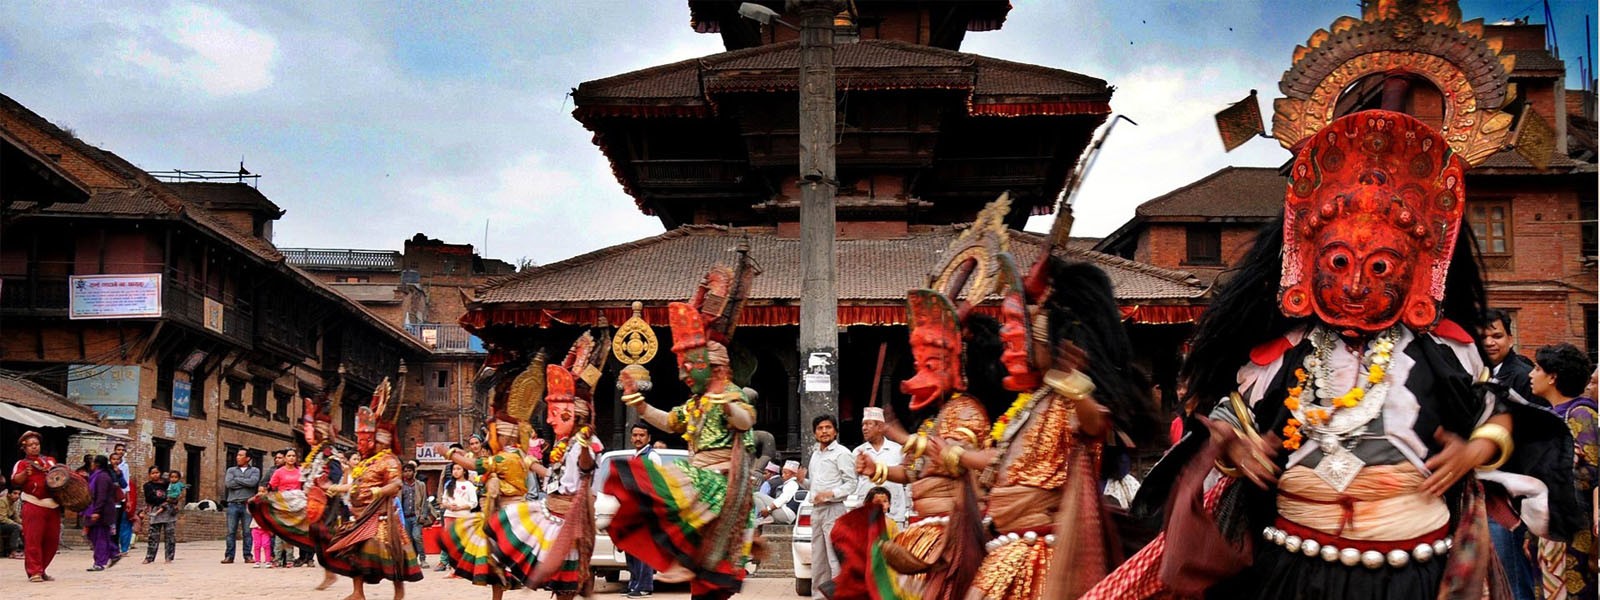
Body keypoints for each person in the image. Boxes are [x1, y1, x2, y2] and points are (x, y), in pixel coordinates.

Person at [1085, 110, 1582, 600]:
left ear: (1413, 272)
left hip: (1410, 572)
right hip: (1293, 566)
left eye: (1381, 265)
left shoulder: (1444, 350)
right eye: (1339, 262)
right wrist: (1234, 447)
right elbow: (1226, 414)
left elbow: (1502, 413)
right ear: (1307, 263)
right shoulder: (1280, 353)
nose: (1357, 284)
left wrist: (1477, 449)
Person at [608, 258, 763, 600]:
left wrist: (728, 405)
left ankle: (680, 557)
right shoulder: (695, 404)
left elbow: (746, 420)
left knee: (653, 479)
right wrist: (641, 406)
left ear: (716, 367)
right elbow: (670, 422)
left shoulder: (731, 394)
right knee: (707, 580)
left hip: (720, 484)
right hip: (699, 476)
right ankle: (683, 560)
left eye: (689, 366)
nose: (683, 374)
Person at [442, 337, 604, 600]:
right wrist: (538, 467)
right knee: (550, 575)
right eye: (549, 412)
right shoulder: (562, 443)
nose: (549, 419)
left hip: (568, 516)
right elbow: (551, 475)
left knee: (567, 579)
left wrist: (449, 453)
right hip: (549, 510)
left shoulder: (587, 442)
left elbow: (585, 470)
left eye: (556, 413)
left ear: (577, 415)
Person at [315, 378, 422, 599]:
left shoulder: (390, 460)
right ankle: (357, 592)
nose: (365, 443)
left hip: (381, 517)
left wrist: (377, 492)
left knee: (392, 556)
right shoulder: (364, 463)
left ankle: (398, 593)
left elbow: (396, 484)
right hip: (358, 515)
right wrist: (334, 488)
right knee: (355, 553)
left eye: (371, 440)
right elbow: (354, 486)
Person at [1530, 343, 1597, 600]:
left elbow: (1590, 473)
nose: (1530, 374)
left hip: (1574, 533)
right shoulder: (1548, 417)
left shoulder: (1581, 414)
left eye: (1537, 368)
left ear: (1553, 376)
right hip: (1547, 531)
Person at [808, 414, 857, 596]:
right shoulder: (815, 454)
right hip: (817, 511)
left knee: (835, 558)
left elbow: (852, 483)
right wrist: (803, 482)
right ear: (814, 433)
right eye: (820, 428)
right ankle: (819, 597)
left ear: (835, 431)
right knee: (818, 558)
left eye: (828, 427)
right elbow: (816, 485)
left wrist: (831, 494)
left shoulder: (842, 453)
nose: (824, 431)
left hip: (834, 511)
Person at [13, 431, 62, 581]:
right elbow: (16, 481)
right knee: (33, 539)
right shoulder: (21, 463)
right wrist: (25, 474)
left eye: (36, 444)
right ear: (24, 448)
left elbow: (60, 475)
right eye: (31, 445)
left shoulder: (50, 461)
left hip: (52, 505)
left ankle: (42, 568)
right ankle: (34, 571)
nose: (34, 447)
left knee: (52, 541)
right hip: (34, 504)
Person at [853, 407, 907, 526]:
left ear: (880, 427)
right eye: (863, 424)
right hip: (866, 515)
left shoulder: (898, 450)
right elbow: (853, 481)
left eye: (868, 424)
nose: (864, 428)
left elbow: (907, 478)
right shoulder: (858, 452)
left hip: (894, 513)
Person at [626, 422, 658, 599]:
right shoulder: (634, 456)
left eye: (641, 435)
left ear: (648, 438)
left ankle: (645, 586)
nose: (638, 438)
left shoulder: (652, 457)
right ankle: (633, 584)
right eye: (635, 435)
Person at [1481, 309, 1537, 403]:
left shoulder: (1526, 378)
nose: (1489, 343)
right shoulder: (1469, 372)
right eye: (1482, 337)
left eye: (1497, 336)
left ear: (1510, 340)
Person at [437, 461, 476, 576]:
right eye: (454, 469)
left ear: (464, 471)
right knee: (450, 543)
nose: (456, 471)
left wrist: (460, 507)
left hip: (463, 516)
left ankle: (464, 569)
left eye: (458, 469)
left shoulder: (469, 485)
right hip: (449, 515)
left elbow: (473, 502)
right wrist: (449, 506)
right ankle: (453, 569)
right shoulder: (449, 484)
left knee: (463, 543)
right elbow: (443, 500)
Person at [221, 449, 259, 563]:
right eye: (237, 455)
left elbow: (253, 482)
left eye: (241, 455)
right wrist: (245, 482)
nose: (237, 457)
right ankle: (229, 556)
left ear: (248, 458)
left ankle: (247, 555)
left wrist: (237, 480)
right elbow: (228, 484)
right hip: (233, 503)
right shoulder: (231, 470)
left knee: (248, 532)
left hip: (247, 505)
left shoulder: (255, 470)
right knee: (231, 531)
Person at [85, 455, 120, 571]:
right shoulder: (96, 476)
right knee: (99, 536)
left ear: (97, 464)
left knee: (99, 537)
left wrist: (97, 511)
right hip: (99, 510)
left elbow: (101, 496)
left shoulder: (102, 477)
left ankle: (99, 562)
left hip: (102, 512)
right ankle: (114, 552)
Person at [269, 448, 303, 568]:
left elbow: (304, 485)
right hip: (282, 502)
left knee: (290, 531)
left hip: (295, 502)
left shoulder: (300, 471)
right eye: (289, 456)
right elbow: (272, 486)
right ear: (285, 458)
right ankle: (277, 558)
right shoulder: (279, 472)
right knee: (279, 531)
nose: (291, 458)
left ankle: (290, 558)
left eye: (293, 456)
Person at [397, 461, 432, 569]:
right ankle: (412, 560)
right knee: (408, 539)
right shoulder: (400, 486)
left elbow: (425, 501)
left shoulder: (420, 485)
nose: (407, 473)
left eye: (410, 471)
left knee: (417, 536)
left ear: (414, 472)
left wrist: (423, 515)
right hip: (404, 517)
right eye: (405, 471)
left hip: (416, 516)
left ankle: (423, 559)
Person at [142, 466, 176, 563]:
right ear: (149, 475)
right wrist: (165, 500)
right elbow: (149, 498)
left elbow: (175, 495)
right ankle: (149, 557)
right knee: (153, 536)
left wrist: (172, 501)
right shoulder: (147, 486)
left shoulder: (167, 484)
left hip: (169, 512)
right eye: (153, 473)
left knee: (170, 536)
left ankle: (169, 557)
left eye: (157, 472)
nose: (155, 475)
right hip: (155, 512)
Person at [759, 461, 801, 526]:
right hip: (786, 513)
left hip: (786, 514)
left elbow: (783, 499)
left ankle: (766, 516)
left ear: (793, 474)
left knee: (757, 495)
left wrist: (768, 509)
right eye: (782, 473)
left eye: (785, 473)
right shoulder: (789, 483)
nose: (783, 475)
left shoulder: (792, 484)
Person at [109, 451, 135, 556]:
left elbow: (124, 485)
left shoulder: (120, 471)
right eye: (113, 459)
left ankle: (115, 549)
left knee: (117, 526)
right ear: (110, 460)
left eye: (117, 459)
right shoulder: (106, 471)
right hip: (108, 502)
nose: (115, 461)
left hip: (118, 503)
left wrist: (119, 475)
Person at [0, 487, 21, 559]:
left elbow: (16, 517)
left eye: (18, 494)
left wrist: (24, 524)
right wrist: (17, 524)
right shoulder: (2, 501)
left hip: (4, 524)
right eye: (15, 493)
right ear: (9, 494)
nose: (17, 496)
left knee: (25, 527)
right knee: (16, 527)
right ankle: (13, 552)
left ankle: (26, 550)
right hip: (1, 523)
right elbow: (2, 518)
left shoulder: (13, 502)